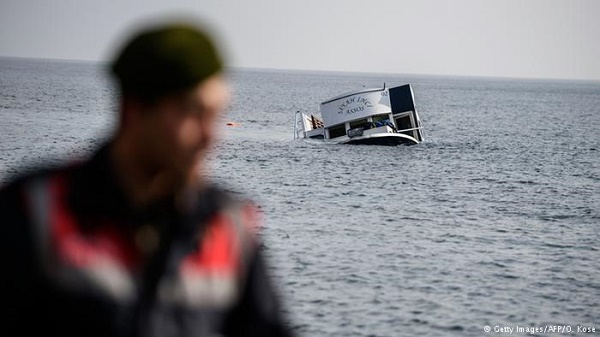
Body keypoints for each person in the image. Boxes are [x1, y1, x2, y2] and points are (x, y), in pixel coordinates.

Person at [0, 21, 294, 337]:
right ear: (134, 110)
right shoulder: (37, 211)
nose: (211, 136)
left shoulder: (228, 226)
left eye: (215, 115)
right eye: (193, 114)